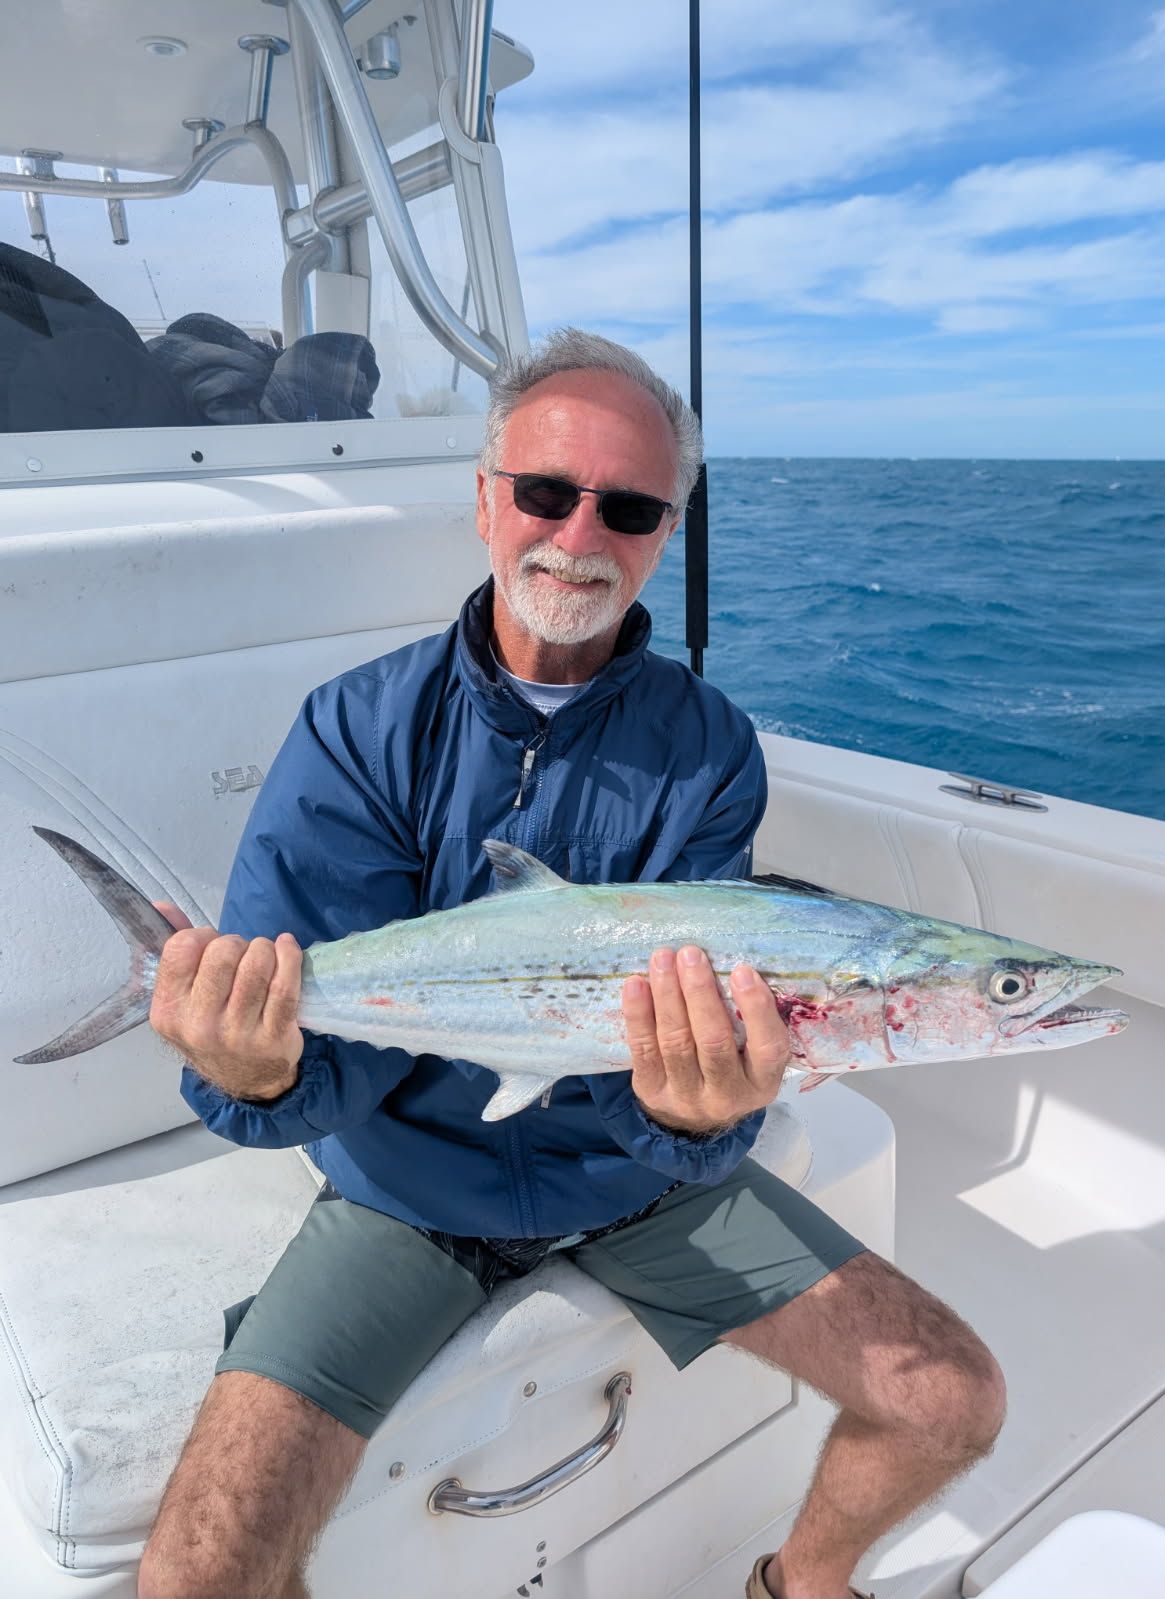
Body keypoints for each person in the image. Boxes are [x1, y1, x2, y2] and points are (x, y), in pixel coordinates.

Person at [139, 330, 1006, 1599]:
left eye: (632, 506)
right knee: (195, 1576)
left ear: (664, 534)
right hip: (405, 1192)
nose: (581, 533)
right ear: (487, 501)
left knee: (950, 1399)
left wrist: (692, 1120)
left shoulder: (707, 747)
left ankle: (799, 1588)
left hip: (633, 1183)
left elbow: (694, 1071)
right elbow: (312, 1079)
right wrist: (258, 1077)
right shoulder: (359, 730)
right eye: (547, 492)